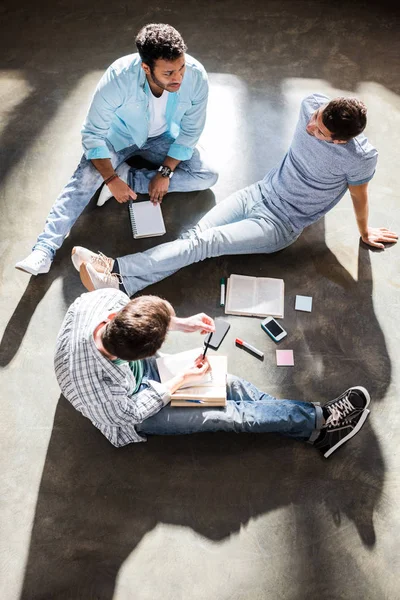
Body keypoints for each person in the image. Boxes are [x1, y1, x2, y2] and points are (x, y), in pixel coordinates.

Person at [69, 94, 398, 296]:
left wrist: (365, 232)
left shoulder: (359, 158)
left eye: (321, 132)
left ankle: (116, 270)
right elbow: (314, 125)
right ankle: (124, 284)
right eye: (314, 119)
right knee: (193, 237)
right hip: (257, 192)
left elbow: (358, 196)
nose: (311, 127)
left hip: (279, 224)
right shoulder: (312, 103)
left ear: (340, 141)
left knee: (203, 244)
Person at [55, 288, 371, 458]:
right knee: (227, 413)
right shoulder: (94, 383)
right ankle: (320, 421)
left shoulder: (105, 301)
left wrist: (178, 323)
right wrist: (180, 381)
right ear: (137, 356)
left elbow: (133, 304)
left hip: (132, 374)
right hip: (131, 409)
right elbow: (126, 414)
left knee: (229, 384)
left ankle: (314, 432)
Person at [16, 23, 218, 276]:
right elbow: (92, 135)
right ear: (146, 68)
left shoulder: (196, 76)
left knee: (208, 174)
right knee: (85, 179)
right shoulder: (118, 77)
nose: (178, 78)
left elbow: (189, 133)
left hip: (162, 138)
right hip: (118, 139)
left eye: (181, 68)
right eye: (168, 73)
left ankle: (130, 177)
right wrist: (109, 179)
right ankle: (44, 250)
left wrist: (164, 173)